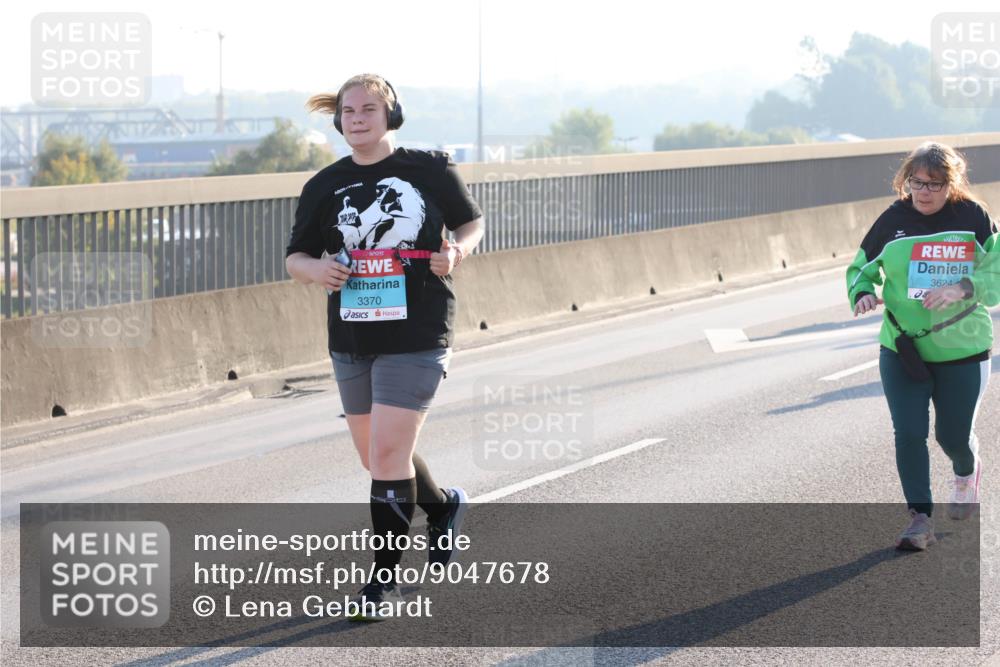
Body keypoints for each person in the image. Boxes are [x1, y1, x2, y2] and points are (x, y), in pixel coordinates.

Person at [285, 74, 485, 618]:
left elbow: (471, 223)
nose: (357, 118)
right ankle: (442, 508)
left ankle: (382, 582)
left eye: (368, 109)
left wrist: (458, 253)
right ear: (338, 121)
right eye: (348, 111)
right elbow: (295, 258)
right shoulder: (323, 186)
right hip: (352, 334)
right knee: (377, 454)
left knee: (389, 454)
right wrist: (317, 269)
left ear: (390, 115)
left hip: (418, 329)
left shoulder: (429, 168)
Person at [847, 141, 998, 550]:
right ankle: (920, 519)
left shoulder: (973, 217)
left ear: (952, 184)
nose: (925, 192)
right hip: (903, 348)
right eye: (917, 183)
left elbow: (997, 272)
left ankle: (966, 472)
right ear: (906, 182)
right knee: (909, 432)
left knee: (952, 436)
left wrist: (965, 285)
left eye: (935, 183)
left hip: (963, 347)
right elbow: (861, 267)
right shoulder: (892, 220)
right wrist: (861, 291)